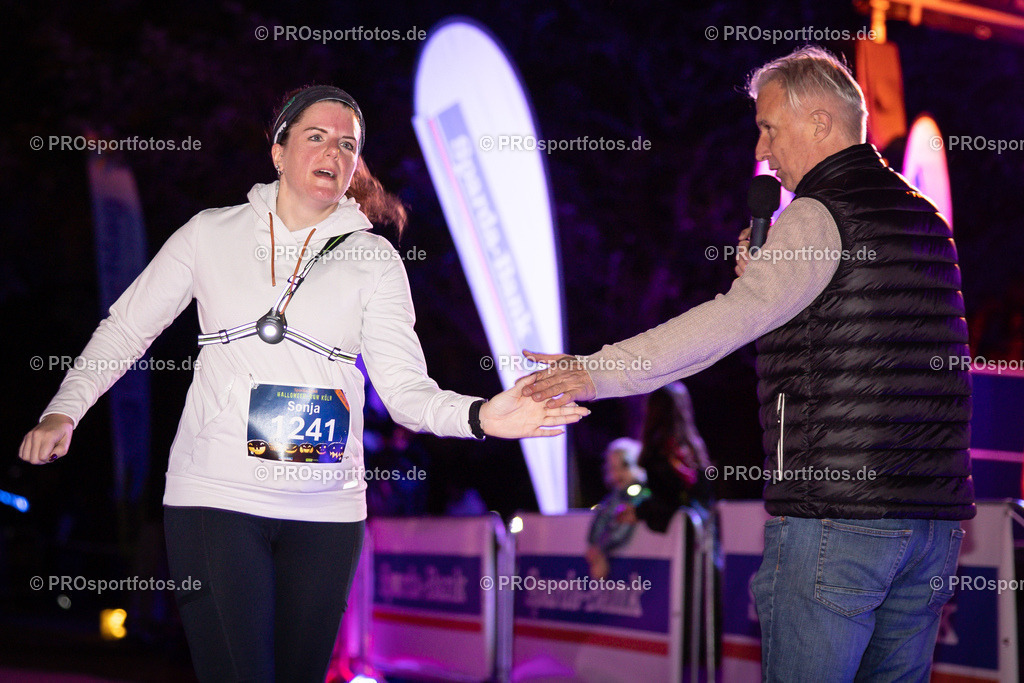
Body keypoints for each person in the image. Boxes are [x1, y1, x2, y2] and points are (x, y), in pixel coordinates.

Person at [18, 84, 588, 683]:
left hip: (327, 512)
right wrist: (65, 410)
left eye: (348, 144)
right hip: (217, 498)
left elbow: (405, 391)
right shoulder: (210, 234)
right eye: (316, 136)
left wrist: (480, 417)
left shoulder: (375, 260)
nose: (334, 152)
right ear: (279, 151)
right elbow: (126, 331)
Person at [522, 46, 972, 681]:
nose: (761, 149)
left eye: (768, 127)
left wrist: (596, 370)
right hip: (931, 526)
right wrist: (771, 278)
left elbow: (725, 323)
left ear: (820, 124)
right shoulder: (925, 217)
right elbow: (873, 343)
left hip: (835, 521)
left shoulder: (819, 212)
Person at [585, 437, 646, 579]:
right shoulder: (614, 497)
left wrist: (602, 550)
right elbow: (601, 518)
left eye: (624, 466)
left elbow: (625, 524)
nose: (617, 474)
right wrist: (594, 546)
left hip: (636, 570)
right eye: (613, 468)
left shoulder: (641, 494)